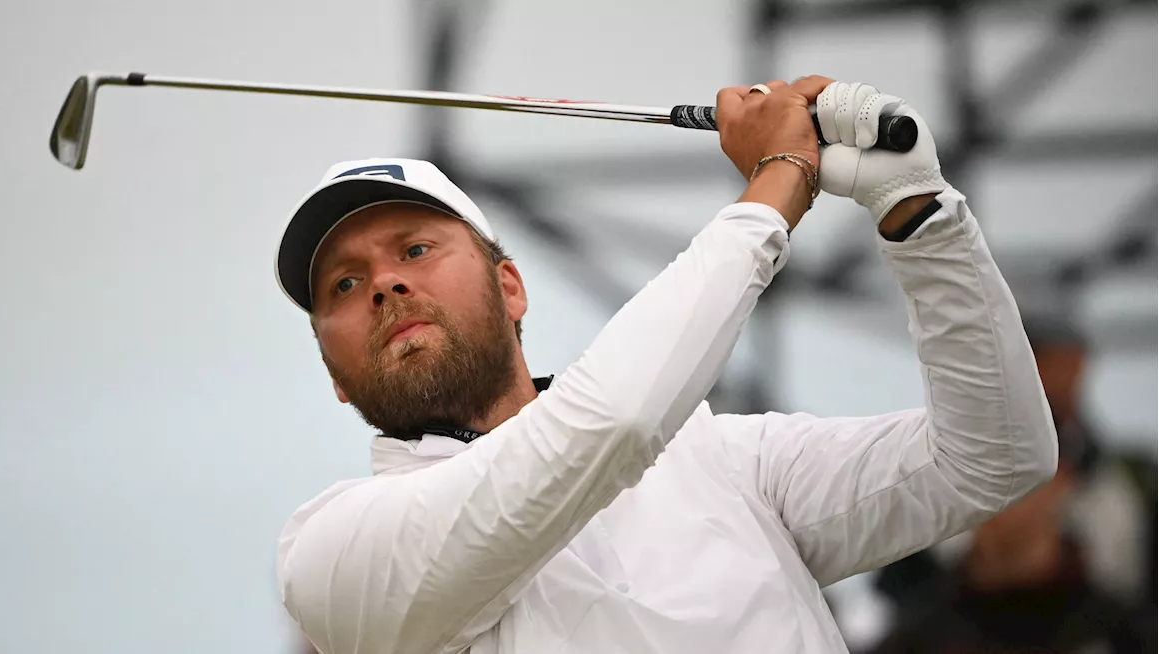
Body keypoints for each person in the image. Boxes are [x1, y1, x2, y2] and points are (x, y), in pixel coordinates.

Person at [272, 76, 1059, 653]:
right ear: (334, 377)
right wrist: (779, 182)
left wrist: (917, 211)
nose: (386, 284)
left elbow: (992, 457)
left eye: (414, 249)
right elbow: (612, 424)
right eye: (345, 283)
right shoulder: (330, 554)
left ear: (510, 288)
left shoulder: (719, 457)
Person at [867, 315, 1159, 653]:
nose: (992, 498)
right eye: (975, 473)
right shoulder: (914, 634)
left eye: (1013, 476)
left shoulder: (1120, 632)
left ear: (1063, 481)